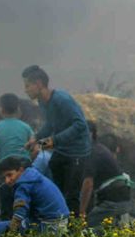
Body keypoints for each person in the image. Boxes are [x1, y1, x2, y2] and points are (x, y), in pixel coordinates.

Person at [21, 65, 91, 214]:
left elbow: (80, 124)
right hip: (62, 149)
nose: (25, 90)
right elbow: (50, 124)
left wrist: (53, 141)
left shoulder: (61, 99)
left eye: (27, 86)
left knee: (71, 195)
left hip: (77, 152)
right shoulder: (42, 102)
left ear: (39, 84)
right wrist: (36, 138)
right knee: (56, 187)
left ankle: (73, 231)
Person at [0, 156, 70, 236]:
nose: (7, 181)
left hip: (49, 225)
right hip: (63, 221)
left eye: (10, 175)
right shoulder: (33, 175)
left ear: (20, 170)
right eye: (4, 177)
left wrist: (10, 233)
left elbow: (19, 214)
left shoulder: (23, 185)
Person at [79, 121, 133, 232]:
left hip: (113, 201)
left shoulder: (92, 152)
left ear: (90, 134)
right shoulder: (99, 148)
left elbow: (88, 184)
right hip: (121, 198)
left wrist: (82, 211)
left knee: (87, 230)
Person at [0, 93, 34, 220]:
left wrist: (0, 169)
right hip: (25, 167)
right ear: (18, 108)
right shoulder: (26, 127)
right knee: (28, 204)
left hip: (7, 169)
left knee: (7, 207)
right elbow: (35, 149)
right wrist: (28, 162)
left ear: (1, 109)